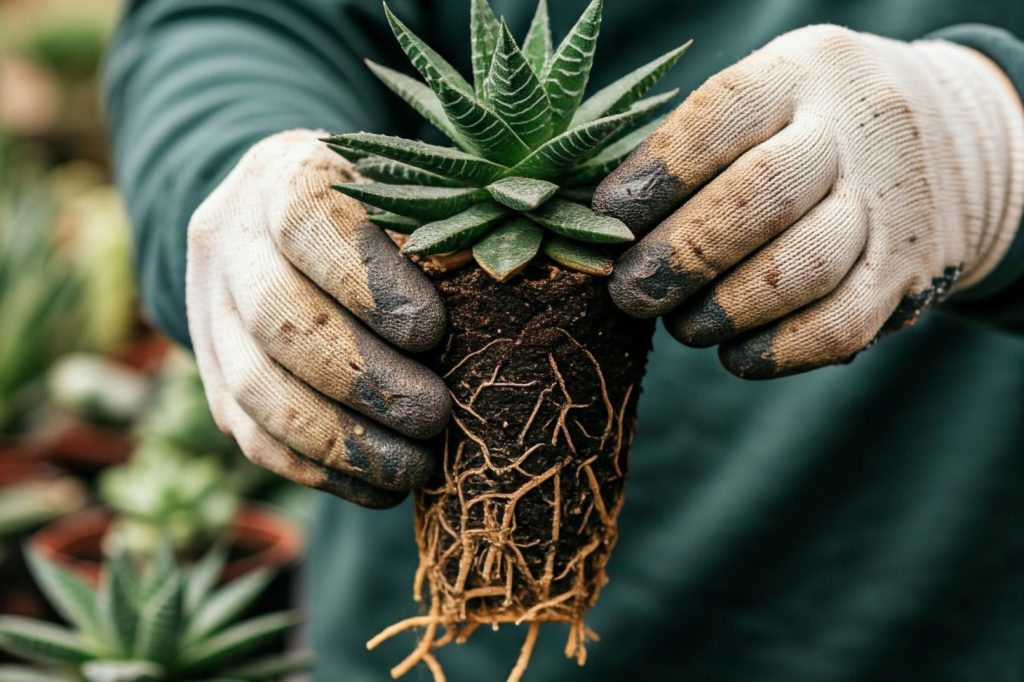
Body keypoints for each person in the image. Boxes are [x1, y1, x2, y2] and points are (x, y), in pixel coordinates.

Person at [105, 1, 1024, 680]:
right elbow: (231, 18)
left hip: (946, 619)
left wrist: (997, 144)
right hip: (423, 655)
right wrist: (226, 167)